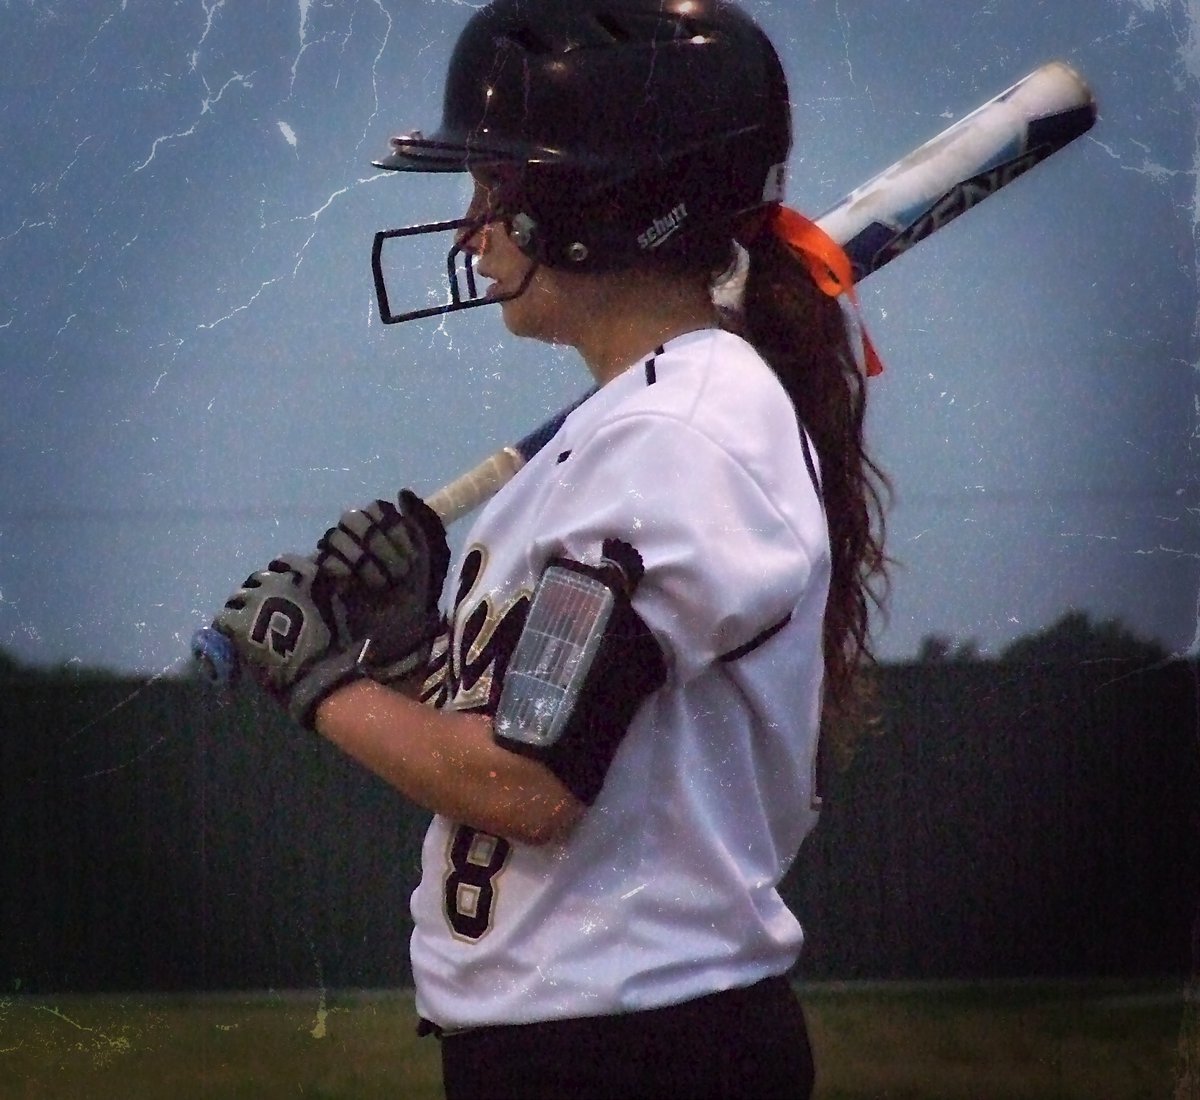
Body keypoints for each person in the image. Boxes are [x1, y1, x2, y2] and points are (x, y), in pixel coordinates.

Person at [211, 1, 889, 1096]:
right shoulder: (636, 424)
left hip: (633, 1046)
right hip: (600, 1036)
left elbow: (530, 784)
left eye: (498, 189)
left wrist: (320, 680)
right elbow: (561, 729)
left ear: (599, 208)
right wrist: (411, 658)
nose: (473, 227)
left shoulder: (673, 440)